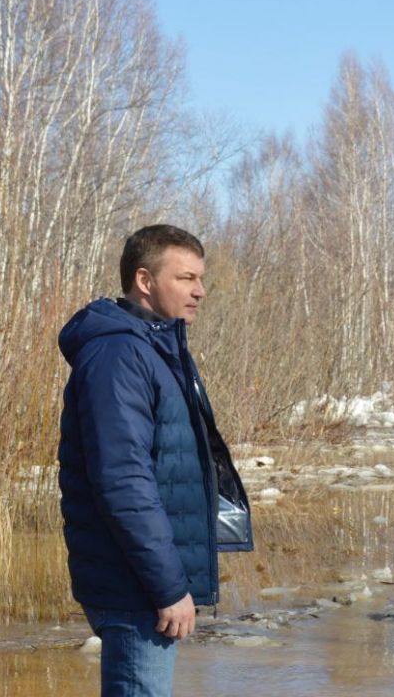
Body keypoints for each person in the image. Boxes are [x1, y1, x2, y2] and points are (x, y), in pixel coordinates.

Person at [58, 224, 252, 697]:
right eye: (186, 278)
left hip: (139, 577)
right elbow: (123, 481)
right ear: (145, 281)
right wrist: (167, 587)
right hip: (133, 584)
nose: (199, 291)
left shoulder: (153, 349)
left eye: (200, 279)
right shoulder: (119, 355)